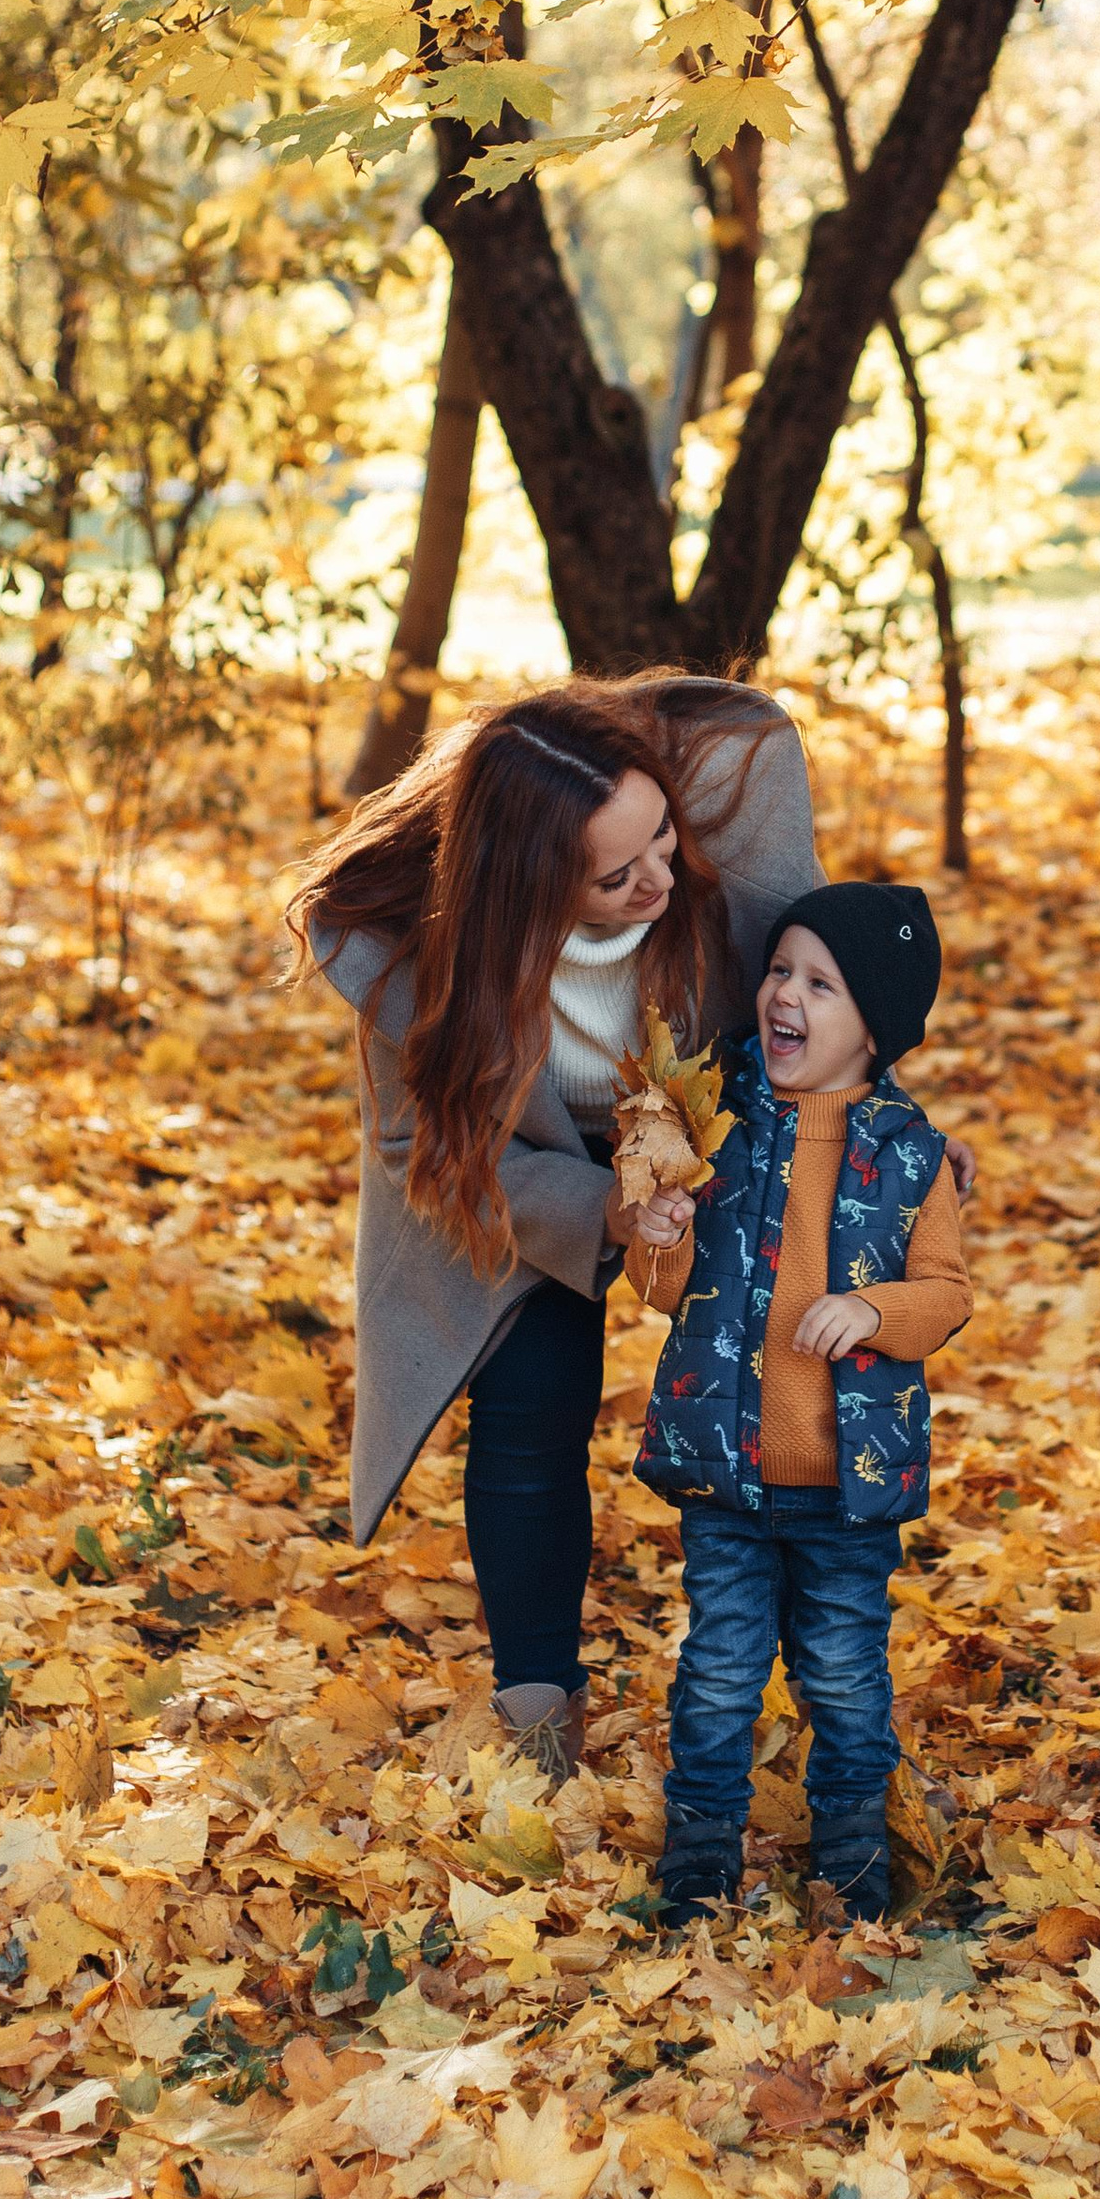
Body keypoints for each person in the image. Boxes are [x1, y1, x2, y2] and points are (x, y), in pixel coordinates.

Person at [288, 676, 818, 1790]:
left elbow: (829, 1003)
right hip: (515, 1182)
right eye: (616, 876)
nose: (658, 878)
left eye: (661, 837)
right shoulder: (414, 952)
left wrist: (900, 1136)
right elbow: (421, 1150)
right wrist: (600, 1212)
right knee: (530, 1410)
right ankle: (537, 1711)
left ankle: (824, 1697)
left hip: (712, 1146)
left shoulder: (715, 876)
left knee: (778, 1400)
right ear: (527, 885)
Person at [627, 884, 968, 1922]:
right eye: (780, 970)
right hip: (725, 1476)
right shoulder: (714, 1128)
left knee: (847, 1679)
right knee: (719, 1674)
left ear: (874, 1030)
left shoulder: (911, 1154)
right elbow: (663, 1292)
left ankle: (853, 1861)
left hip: (846, 1487)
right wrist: (658, 1232)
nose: (785, 994)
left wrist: (871, 1310)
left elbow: (945, 1295)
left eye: (822, 984)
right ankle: (700, 1857)